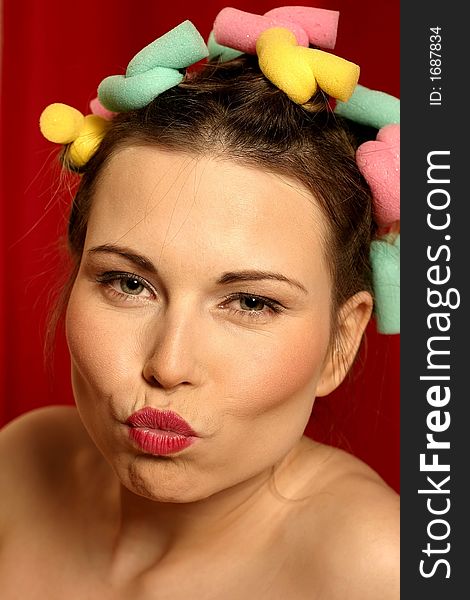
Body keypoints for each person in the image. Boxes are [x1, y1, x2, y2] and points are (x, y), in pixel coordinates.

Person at [0, 7, 399, 599]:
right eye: (128, 283)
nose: (169, 364)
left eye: (250, 302)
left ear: (342, 341)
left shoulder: (378, 568)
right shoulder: (20, 462)